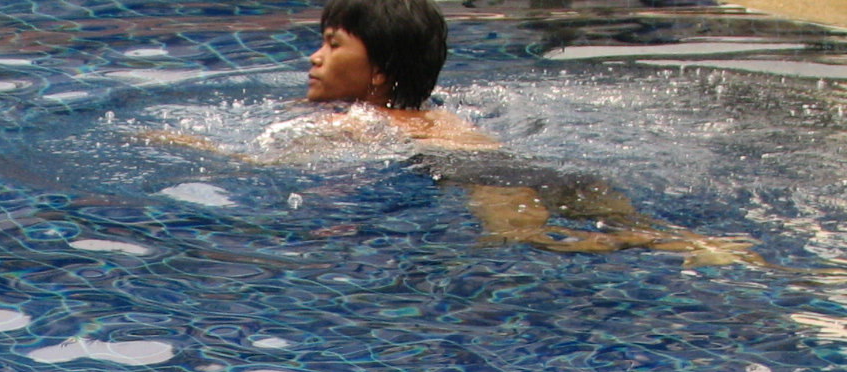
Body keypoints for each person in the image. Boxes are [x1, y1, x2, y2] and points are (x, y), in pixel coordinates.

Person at [138, 0, 754, 263]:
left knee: (535, 244)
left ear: (379, 72)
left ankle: (650, 245)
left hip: (485, 179)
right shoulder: (439, 114)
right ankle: (704, 246)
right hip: (541, 168)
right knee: (652, 226)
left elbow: (271, 162)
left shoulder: (364, 121)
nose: (315, 58)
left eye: (332, 45)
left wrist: (193, 147)